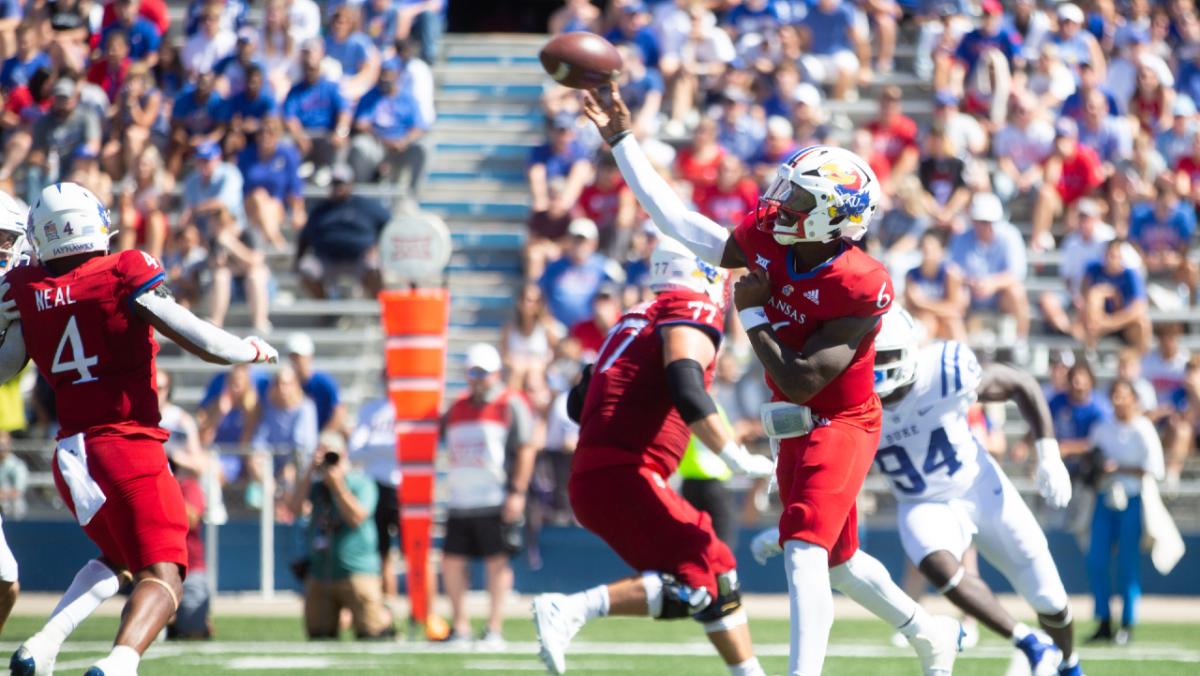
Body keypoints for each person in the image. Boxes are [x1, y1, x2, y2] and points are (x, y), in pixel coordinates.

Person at [576, 82, 961, 676]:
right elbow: (677, 221)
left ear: (835, 217)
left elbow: (806, 378)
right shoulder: (768, 240)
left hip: (842, 420)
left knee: (804, 551)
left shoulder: (860, 281)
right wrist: (621, 139)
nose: (782, 206)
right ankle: (927, 632)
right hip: (793, 422)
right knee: (838, 561)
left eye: (801, 201)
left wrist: (750, 311)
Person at [3, 182, 277, 676]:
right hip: (126, 443)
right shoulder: (122, 269)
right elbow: (192, 333)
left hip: (70, 453)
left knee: (118, 555)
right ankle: (119, 665)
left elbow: (4, 369)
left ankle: (42, 646)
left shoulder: (28, 289)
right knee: (166, 574)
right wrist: (247, 349)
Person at [532, 237, 773, 676]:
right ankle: (571, 609)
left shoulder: (634, 318)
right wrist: (735, 456)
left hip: (600, 474)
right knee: (698, 579)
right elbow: (686, 385)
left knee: (717, 572)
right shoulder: (689, 310)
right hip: (626, 473)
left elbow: (576, 403)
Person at [861, 307, 1081, 675]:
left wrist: (1048, 453)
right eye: (869, 357)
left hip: (978, 485)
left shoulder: (942, 371)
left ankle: (1070, 665)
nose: (876, 367)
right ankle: (1028, 641)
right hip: (922, 501)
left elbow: (1019, 383)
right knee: (934, 562)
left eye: (883, 356)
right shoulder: (853, 399)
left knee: (1050, 599)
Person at [441, 343, 537, 646]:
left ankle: (494, 628)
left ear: (495, 374)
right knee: (452, 562)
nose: (477, 379)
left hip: (494, 496)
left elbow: (525, 449)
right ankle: (460, 627)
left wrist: (517, 492)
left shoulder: (510, 404)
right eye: (473, 372)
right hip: (460, 498)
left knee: (497, 563)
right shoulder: (456, 407)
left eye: (483, 373)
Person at [287, 432, 393, 640]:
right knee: (318, 634)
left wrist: (337, 485)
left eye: (331, 455)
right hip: (321, 573)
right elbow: (294, 508)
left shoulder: (361, 483)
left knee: (373, 634)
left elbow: (356, 517)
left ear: (343, 455)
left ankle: (385, 614)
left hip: (357, 571)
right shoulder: (316, 488)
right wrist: (310, 471)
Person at [1085, 379, 1164, 646]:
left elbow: (1154, 468)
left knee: (1128, 564)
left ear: (1133, 399)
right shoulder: (1102, 429)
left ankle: (1128, 622)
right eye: (1115, 395)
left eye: (1124, 395)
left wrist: (1117, 468)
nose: (1119, 400)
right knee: (1096, 560)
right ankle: (1104, 620)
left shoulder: (1143, 429)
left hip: (1132, 499)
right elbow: (1091, 463)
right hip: (1106, 499)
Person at [296, 164, 390, 298]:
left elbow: (389, 226)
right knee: (306, 269)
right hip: (326, 259)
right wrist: (297, 260)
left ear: (350, 183)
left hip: (359, 258)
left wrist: (378, 247)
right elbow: (305, 236)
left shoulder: (366, 206)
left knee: (373, 267)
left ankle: (381, 307)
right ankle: (327, 309)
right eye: (334, 183)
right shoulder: (320, 210)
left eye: (341, 183)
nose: (338, 187)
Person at [949, 192, 1031, 342]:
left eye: (988, 222)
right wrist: (970, 283)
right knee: (958, 294)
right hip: (971, 293)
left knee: (1017, 292)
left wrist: (992, 284)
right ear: (973, 221)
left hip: (1000, 295)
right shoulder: (961, 239)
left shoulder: (1010, 235)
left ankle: (1020, 341)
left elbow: (1017, 273)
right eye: (981, 221)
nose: (985, 226)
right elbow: (953, 272)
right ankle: (959, 340)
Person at [1079, 239, 1151, 352]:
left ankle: (1136, 361)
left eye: (1114, 255)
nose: (1109, 259)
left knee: (1142, 325)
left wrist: (1109, 323)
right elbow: (1084, 295)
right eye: (1107, 255)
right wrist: (1101, 292)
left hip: (1122, 323)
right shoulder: (1093, 270)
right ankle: (1090, 354)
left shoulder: (1130, 275)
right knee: (1095, 295)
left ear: (1121, 257)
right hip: (1097, 323)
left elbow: (1139, 307)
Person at [285, 332, 345, 434]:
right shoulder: (286, 384)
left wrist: (324, 436)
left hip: (325, 433)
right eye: (293, 356)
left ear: (309, 357)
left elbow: (339, 412)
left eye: (299, 356)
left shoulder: (324, 382)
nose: (296, 360)